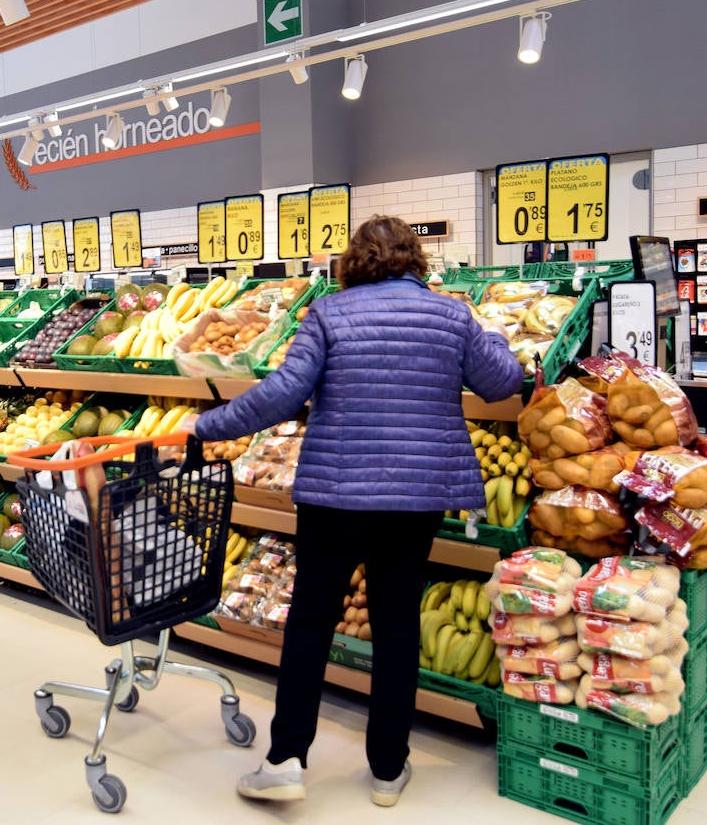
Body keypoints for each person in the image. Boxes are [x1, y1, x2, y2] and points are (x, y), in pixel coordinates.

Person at [188, 217, 522, 807]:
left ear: (354, 262)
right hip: (415, 496)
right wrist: (490, 333)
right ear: (415, 259)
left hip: (334, 494)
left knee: (311, 621)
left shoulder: (327, 316)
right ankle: (389, 769)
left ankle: (286, 759)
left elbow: (284, 392)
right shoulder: (451, 315)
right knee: (397, 628)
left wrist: (209, 424)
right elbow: (501, 382)